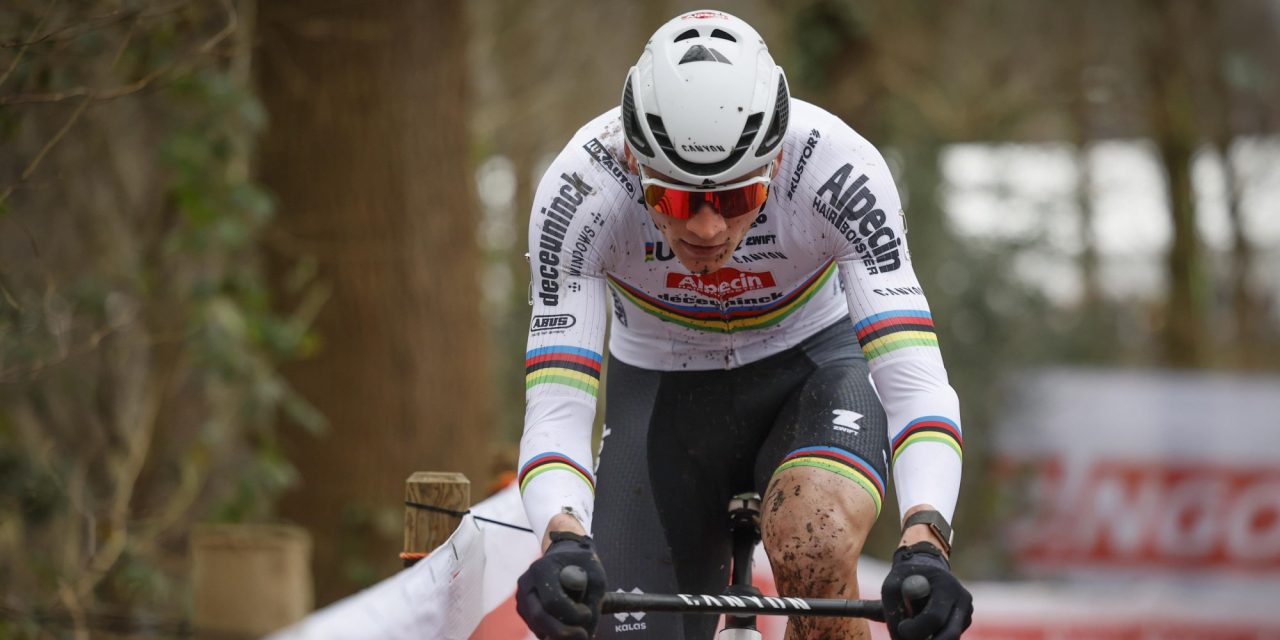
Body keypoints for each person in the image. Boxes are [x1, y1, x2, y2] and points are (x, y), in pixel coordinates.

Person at [514, 10, 972, 640]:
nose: (706, 228)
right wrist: (561, 538)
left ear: (776, 164)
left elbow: (915, 384)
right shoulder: (582, 193)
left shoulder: (836, 170)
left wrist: (925, 540)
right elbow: (557, 408)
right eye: (676, 199)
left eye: (736, 199)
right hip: (659, 391)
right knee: (610, 621)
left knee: (816, 543)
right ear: (632, 158)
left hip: (812, 372)